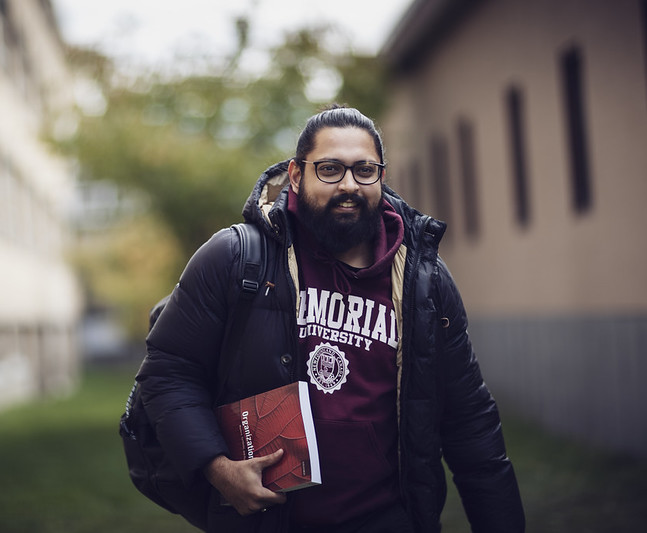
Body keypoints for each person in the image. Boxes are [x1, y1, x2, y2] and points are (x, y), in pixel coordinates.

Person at [139, 105, 525, 532]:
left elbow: (469, 420)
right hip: (270, 521)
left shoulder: (423, 281)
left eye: (364, 170)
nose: (348, 185)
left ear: (381, 176)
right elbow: (168, 372)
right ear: (297, 174)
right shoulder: (235, 258)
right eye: (329, 169)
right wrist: (215, 467)